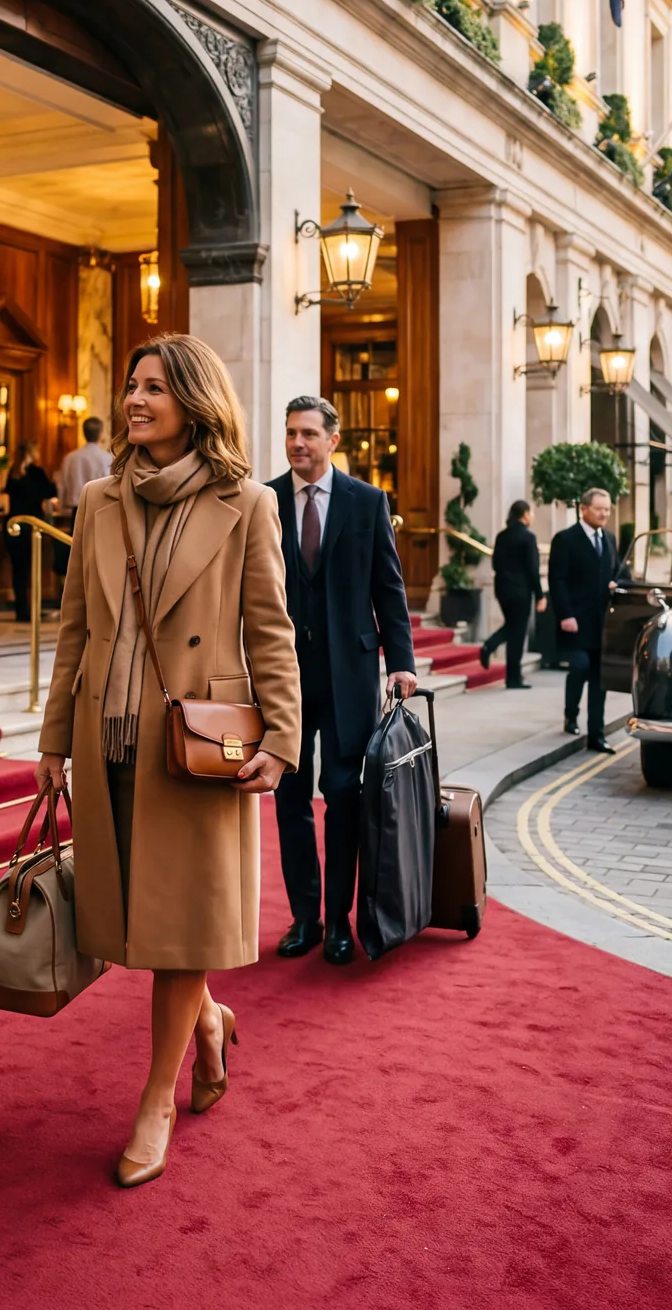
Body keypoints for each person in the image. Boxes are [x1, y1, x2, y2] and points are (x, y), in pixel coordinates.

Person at [34, 334, 301, 1189]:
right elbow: (75, 633)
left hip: (195, 747)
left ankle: (154, 1098)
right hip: (108, 739)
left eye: (154, 387)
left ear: (195, 401)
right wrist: (49, 740)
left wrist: (282, 738)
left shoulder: (247, 503)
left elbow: (270, 629)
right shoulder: (100, 503)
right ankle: (212, 1022)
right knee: (129, 927)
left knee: (180, 929)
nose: (135, 400)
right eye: (131, 386)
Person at [264, 397, 417, 966]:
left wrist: (400, 660)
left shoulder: (367, 501)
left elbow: (389, 588)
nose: (297, 443)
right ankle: (303, 917)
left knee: (344, 795)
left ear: (332, 439)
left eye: (307, 434)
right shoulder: (266, 500)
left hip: (349, 673)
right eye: (289, 434)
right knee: (289, 796)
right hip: (282, 677)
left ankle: (337, 922)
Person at [548, 486, 619, 753]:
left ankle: (597, 735)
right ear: (583, 509)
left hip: (602, 624)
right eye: (600, 509)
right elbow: (557, 580)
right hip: (575, 620)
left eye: (608, 509)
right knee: (579, 667)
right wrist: (565, 614)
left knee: (600, 679)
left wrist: (616, 584)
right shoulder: (565, 539)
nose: (605, 514)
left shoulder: (610, 539)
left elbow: (618, 571)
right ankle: (571, 714)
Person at [479, 500, 545, 689]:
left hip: (502, 589)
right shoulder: (528, 537)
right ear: (524, 514)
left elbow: (495, 564)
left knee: (512, 627)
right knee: (517, 633)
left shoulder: (501, 536)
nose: (532, 516)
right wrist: (540, 595)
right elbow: (533, 569)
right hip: (521, 591)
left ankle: (508, 671)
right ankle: (511, 675)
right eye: (531, 512)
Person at [2, 440, 57, 619]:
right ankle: (33, 608)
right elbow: (50, 492)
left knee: (19, 570)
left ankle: (21, 610)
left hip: (13, 525)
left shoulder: (12, 473)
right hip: (32, 525)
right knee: (34, 569)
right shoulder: (36, 472)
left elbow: (5, 495)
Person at [53, 416, 113, 578]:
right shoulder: (106, 458)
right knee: (97, 555)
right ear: (100, 433)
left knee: (77, 555)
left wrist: (62, 507)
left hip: (76, 510)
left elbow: (62, 485)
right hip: (100, 510)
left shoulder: (71, 458)